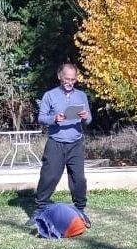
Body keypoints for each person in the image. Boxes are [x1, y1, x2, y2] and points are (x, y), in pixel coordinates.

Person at [32, 62, 92, 227]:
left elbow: (89, 119)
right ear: (59, 76)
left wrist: (85, 116)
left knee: (78, 179)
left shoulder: (81, 96)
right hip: (56, 142)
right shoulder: (49, 95)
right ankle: (39, 210)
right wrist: (54, 119)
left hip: (76, 143)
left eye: (73, 79)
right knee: (49, 177)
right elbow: (41, 117)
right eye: (67, 79)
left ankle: (80, 210)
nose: (70, 82)